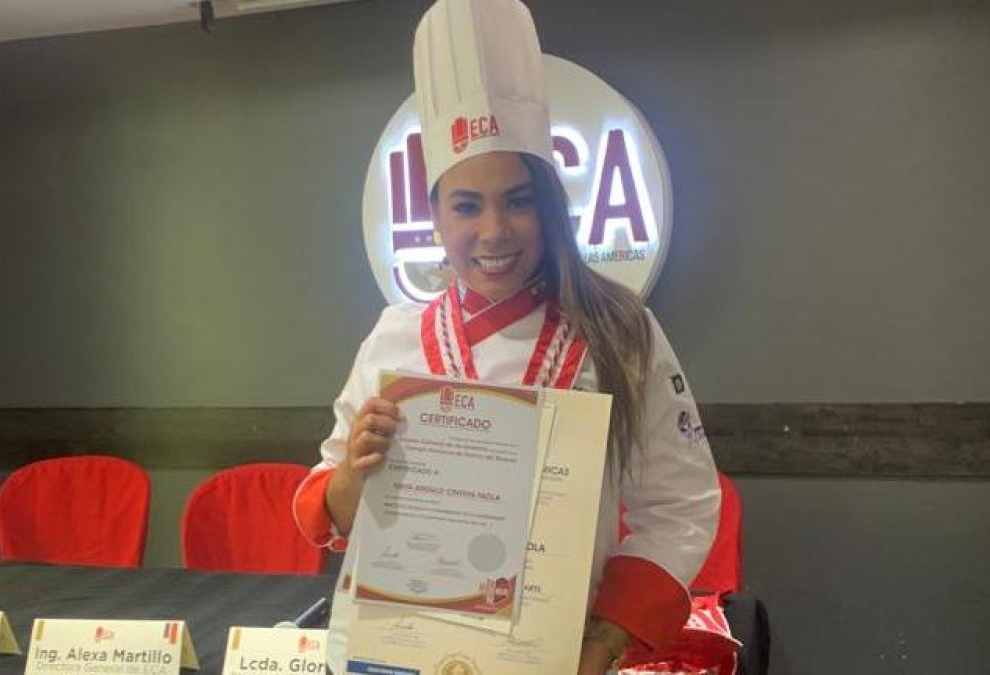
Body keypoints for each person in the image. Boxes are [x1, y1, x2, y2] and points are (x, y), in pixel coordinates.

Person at [292, 0, 721, 672]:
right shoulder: (394, 336)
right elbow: (329, 503)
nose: (494, 232)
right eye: (467, 204)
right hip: (393, 655)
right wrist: (352, 472)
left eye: (519, 200)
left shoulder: (620, 330)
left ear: (549, 205)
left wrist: (603, 643)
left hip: (551, 656)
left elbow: (681, 503)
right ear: (434, 215)